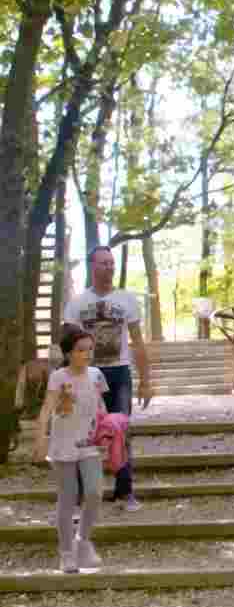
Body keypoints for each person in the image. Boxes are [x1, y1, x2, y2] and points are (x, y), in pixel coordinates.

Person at [63, 245, 153, 513]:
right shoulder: (77, 303)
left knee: (121, 430)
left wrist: (146, 381)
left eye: (112, 263)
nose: (110, 267)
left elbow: (137, 342)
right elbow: (66, 345)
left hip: (119, 372)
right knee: (82, 432)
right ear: (92, 266)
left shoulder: (127, 300)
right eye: (104, 263)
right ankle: (80, 497)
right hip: (87, 374)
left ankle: (124, 492)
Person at [32, 326, 109, 573]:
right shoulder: (58, 376)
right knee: (67, 498)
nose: (87, 354)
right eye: (80, 350)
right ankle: (66, 553)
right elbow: (47, 408)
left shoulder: (97, 374)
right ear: (68, 353)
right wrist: (40, 436)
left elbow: (101, 405)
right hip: (63, 443)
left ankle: (83, 542)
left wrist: (109, 432)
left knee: (95, 493)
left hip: (90, 442)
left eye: (90, 349)